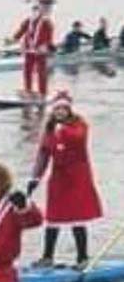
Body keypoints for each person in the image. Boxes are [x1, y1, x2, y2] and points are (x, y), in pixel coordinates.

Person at [28, 91, 103, 267]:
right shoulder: (50, 129)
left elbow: (78, 138)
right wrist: (34, 178)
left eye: (63, 109)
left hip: (77, 179)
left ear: (69, 110)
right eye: (57, 109)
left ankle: (83, 258)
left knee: (77, 218)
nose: (60, 112)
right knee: (52, 219)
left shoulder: (79, 125)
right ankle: (47, 257)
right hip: (58, 179)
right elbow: (44, 155)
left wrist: (61, 131)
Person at [8, 0, 54, 99]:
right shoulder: (28, 21)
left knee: (41, 71)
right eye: (34, 10)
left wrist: (46, 46)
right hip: (29, 50)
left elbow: (49, 36)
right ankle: (28, 90)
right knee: (27, 70)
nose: (35, 12)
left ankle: (43, 92)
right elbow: (21, 31)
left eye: (37, 10)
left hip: (40, 52)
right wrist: (13, 39)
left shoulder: (47, 22)